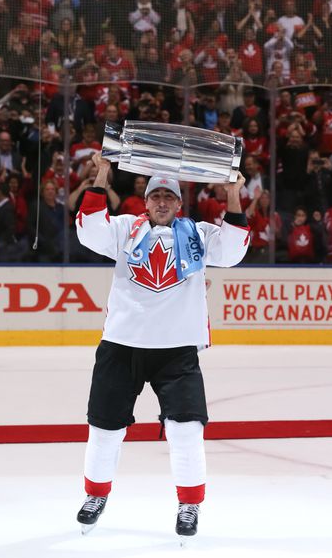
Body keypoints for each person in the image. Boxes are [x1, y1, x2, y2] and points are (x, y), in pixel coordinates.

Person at [75, 152, 250, 539]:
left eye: (169, 197)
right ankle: (96, 494)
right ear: (146, 199)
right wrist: (102, 175)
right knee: (104, 429)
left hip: (177, 350)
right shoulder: (125, 229)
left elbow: (233, 250)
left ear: (179, 204)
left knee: (186, 430)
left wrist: (233, 194)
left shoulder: (199, 234)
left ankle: (189, 503)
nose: (162, 203)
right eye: (156, 196)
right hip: (122, 345)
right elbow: (89, 230)